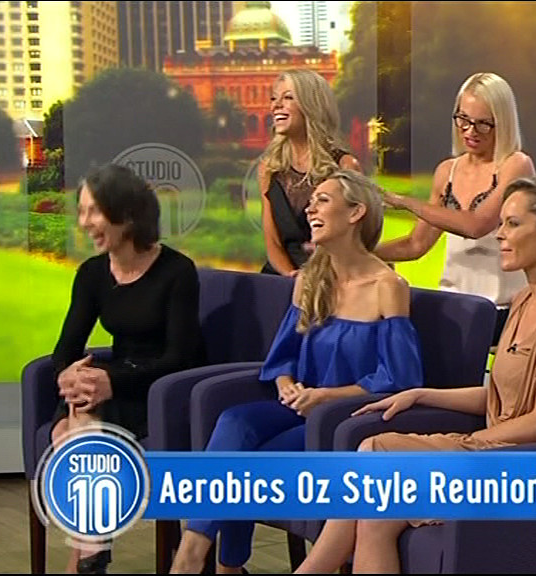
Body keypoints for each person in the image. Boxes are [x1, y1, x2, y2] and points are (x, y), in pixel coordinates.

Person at [296, 174, 536, 574]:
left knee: (375, 452)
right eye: (501, 223)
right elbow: (501, 397)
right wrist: (421, 394)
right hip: (502, 448)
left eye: (513, 224)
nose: (499, 234)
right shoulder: (524, 299)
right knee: (376, 516)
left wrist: (468, 445)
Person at [169, 170, 425, 574]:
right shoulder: (308, 280)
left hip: (342, 417)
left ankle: (224, 566)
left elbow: (400, 377)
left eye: (323, 200)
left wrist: (326, 397)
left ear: (356, 212)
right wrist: (287, 385)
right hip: (298, 406)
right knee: (234, 421)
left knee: (245, 465)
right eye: (312, 201)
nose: (309, 209)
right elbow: (283, 356)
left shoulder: (387, 285)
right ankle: (193, 551)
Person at [50, 163, 205, 574]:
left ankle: (87, 555)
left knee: (72, 430)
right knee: (75, 420)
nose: (84, 223)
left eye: (94, 211)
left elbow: (179, 358)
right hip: (114, 381)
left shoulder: (177, 271)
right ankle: (91, 552)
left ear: (127, 214)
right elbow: (65, 350)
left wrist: (111, 382)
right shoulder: (92, 274)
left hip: (162, 388)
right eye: (81, 212)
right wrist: (68, 374)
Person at [376, 72, 536, 342]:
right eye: (463, 119)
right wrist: (361, 253)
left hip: (502, 311)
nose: (470, 131)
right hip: (453, 305)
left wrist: (404, 202)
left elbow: (476, 226)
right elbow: (416, 245)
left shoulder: (516, 165)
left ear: (503, 122)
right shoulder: (447, 171)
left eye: (483, 124)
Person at [259, 69, 362, 276]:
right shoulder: (269, 169)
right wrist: (292, 276)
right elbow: (273, 243)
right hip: (281, 277)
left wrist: (314, 279)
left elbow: (355, 243)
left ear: (311, 105)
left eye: (288, 97)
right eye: (274, 98)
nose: (276, 105)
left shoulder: (345, 166)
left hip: (330, 278)